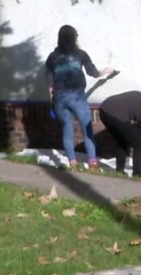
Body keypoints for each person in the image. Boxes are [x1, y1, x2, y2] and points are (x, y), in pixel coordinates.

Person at [45, 24, 114, 170]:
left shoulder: (52, 57)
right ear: (74, 38)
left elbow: (50, 85)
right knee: (87, 130)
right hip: (77, 97)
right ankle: (92, 163)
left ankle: (73, 163)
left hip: (60, 98)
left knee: (67, 129)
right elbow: (93, 73)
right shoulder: (80, 54)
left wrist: (52, 102)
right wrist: (106, 71)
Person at [98, 91, 141, 178]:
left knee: (122, 141)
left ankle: (119, 171)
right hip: (116, 114)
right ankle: (137, 174)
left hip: (104, 109)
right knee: (139, 145)